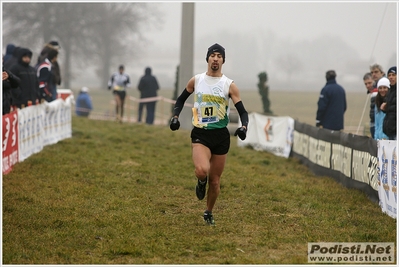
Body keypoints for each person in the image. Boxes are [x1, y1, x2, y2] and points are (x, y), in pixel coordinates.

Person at [169, 43, 249, 226]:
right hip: (201, 134)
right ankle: (200, 181)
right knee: (202, 170)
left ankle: (208, 212)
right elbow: (181, 99)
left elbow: (243, 112)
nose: (215, 58)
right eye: (212, 55)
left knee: (215, 181)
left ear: (223, 61)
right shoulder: (196, 80)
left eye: (219, 56)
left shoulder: (229, 85)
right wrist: (175, 116)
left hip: (221, 136)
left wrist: (244, 127)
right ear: (207, 59)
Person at [382, 66, 397, 140]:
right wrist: (384, 109)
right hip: (390, 132)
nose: (391, 77)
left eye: (393, 75)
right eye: (389, 75)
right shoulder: (390, 91)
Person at [363, 72, 378, 138]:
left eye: (369, 83)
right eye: (366, 84)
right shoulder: (372, 93)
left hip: (376, 124)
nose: (367, 86)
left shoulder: (377, 92)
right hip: (373, 122)